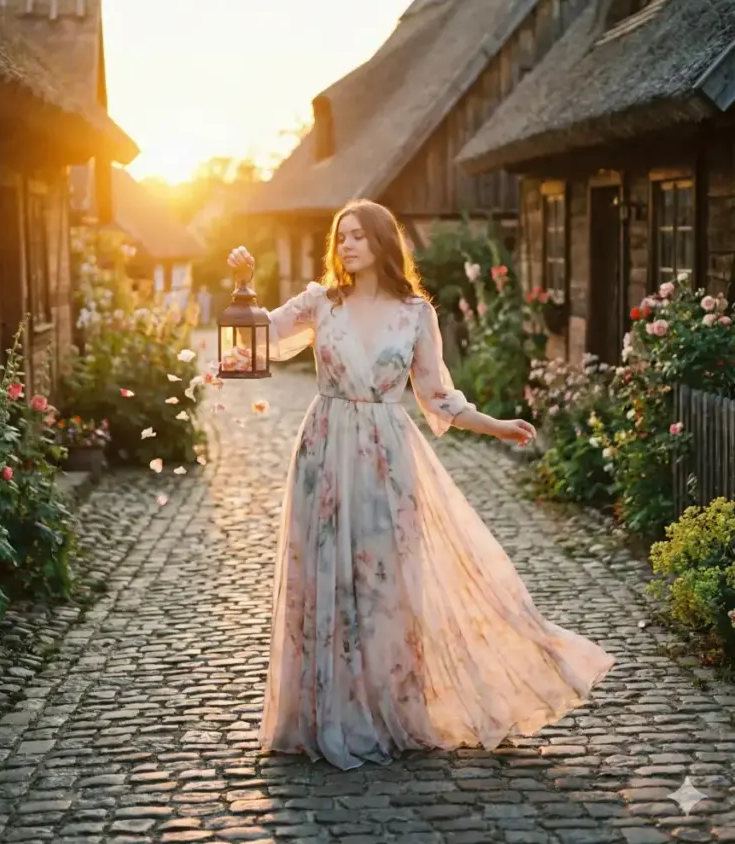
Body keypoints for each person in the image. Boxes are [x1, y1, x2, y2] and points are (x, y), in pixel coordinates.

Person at [227, 199, 614, 772]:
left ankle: (392, 709)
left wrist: (496, 426)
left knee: (387, 584)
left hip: (387, 454)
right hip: (325, 452)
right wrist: (242, 286)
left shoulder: (414, 313)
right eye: (342, 237)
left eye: (359, 236)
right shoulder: (320, 302)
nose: (347, 246)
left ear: (384, 243)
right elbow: (261, 333)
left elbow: (437, 396)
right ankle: (325, 713)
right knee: (327, 577)